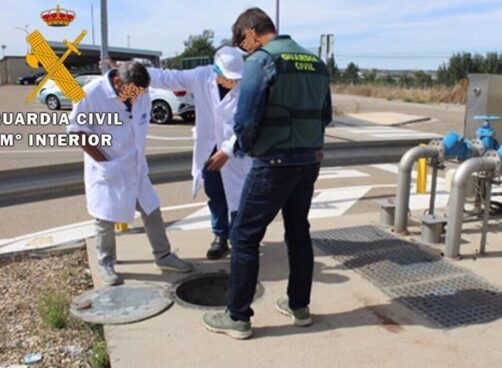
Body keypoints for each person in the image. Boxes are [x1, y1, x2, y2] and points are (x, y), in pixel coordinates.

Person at [202, 8, 332, 339]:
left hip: (273, 162)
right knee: (299, 232)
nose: (241, 48)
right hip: (308, 162)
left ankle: (238, 317)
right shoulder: (316, 63)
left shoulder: (261, 61)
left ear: (252, 31)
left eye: (240, 40)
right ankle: (298, 307)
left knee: (243, 237)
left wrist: (245, 148)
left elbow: (245, 119)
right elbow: (325, 116)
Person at [68, 61, 193, 286]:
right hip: (108, 167)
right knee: (105, 218)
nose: (136, 99)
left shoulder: (139, 90)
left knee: (152, 210)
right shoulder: (91, 94)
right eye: (132, 94)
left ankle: (163, 255)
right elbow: (78, 131)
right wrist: (106, 163)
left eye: (140, 94)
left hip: (135, 167)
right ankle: (106, 263)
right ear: (117, 82)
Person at [145, 47, 252, 260]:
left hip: (236, 148)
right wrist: (138, 72)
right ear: (215, 70)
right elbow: (168, 78)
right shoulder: (202, 76)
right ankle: (220, 237)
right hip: (210, 147)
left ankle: (242, 241)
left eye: (234, 78)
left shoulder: (248, 84)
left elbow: (250, 122)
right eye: (226, 77)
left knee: (241, 196)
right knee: (215, 194)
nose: (231, 82)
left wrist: (228, 150)